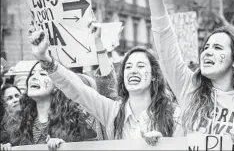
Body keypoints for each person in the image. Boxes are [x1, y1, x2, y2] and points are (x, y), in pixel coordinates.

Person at [145, 0, 234, 146]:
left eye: (218, 48)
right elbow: (165, 41)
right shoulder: (190, 89)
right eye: (206, 47)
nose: (208, 52)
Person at [27, 22, 184, 146]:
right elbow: (77, 89)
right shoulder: (112, 112)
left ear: (154, 76)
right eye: (128, 67)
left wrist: (166, 144)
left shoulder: (174, 115)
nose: (133, 71)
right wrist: (45, 58)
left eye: (141, 66)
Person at [0, 61, 103, 151]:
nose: (34, 77)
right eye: (32, 74)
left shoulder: (75, 120)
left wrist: (65, 147)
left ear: (57, 86)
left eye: (43, 74)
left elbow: (92, 146)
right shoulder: (16, 122)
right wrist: (7, 147)